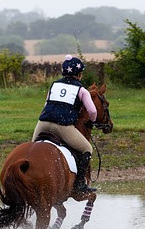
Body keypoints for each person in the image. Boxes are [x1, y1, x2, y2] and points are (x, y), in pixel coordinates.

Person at [32, 55, 97, 194]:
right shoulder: (82, 90)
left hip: (42, 123)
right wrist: (92, 120)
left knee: (32, 150)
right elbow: (92, 111)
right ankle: (79, 185)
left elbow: (45, 105)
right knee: (87, 149)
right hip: (62, 126)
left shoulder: (54, 85)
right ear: (79, 74)